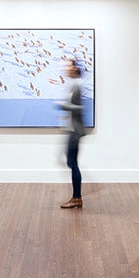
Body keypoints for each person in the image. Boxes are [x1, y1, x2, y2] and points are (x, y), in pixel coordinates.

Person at [58, 58, 87, 209]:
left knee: (73, 163)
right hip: (72, 130)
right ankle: (77, 197)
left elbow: (79, 108)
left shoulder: (77, 85)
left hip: (75, 131)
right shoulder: (73, 85)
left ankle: (77, 198)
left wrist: (64, 105)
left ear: (75, 69)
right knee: (70, 161)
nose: (66, 69)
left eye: (68, 66)